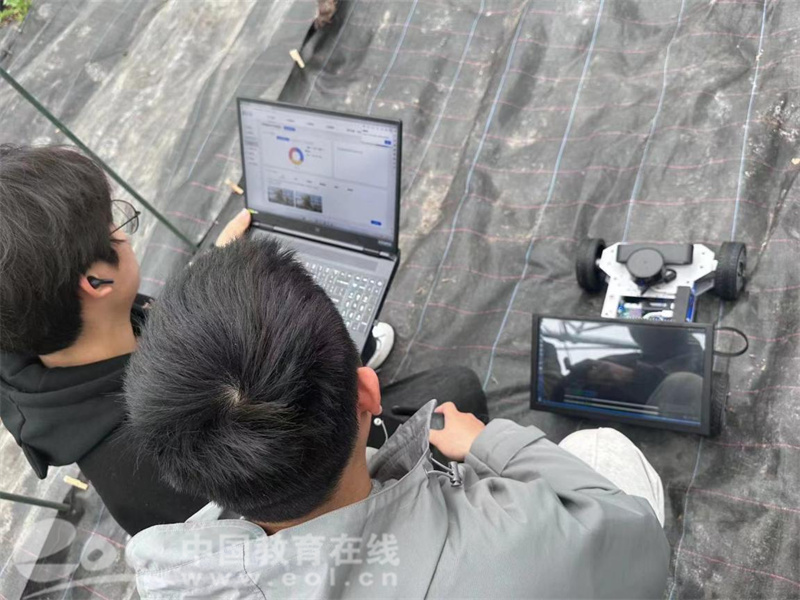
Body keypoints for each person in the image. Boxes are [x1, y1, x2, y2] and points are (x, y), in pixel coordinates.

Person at [124, 237, 670, 599]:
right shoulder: (523, 540)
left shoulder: (173, 573)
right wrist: (495, 443)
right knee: (601, 449)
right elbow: (636, 533)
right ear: (367, 391)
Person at [0, 144, 400, 535]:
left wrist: (214, 278)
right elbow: (297, 498)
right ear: (96, 281)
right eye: (116, 227)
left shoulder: (44, 324)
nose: (125, 237)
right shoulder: (156, 471)